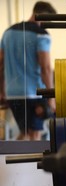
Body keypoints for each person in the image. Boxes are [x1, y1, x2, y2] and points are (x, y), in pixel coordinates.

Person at [0, 1, 56, 140]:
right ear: (44, 16)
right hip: (34, 94)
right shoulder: (42, 35)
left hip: (12, 93)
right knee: (35, 135)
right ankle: (31, 162)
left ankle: (7, 160)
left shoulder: (8, 32)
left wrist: (2, 91)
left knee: (25, 133)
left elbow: (0, 64)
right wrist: (51, 97)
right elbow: (46, 68)